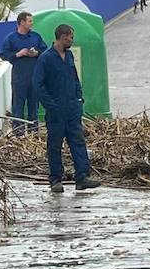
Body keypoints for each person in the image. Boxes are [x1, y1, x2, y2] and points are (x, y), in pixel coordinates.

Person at [34, 23, 101, 192]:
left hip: (72, 109)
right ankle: (56, 180)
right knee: (55, 146)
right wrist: (51, 106)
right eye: (70, 37)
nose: (72, 40)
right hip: (56, 112)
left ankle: (82, 177)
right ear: (62, 37)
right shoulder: (46, 58)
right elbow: (38, 85)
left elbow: (74, 78)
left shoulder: (69, 56)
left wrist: (79, 98)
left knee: (78, 142)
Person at [0, 11, 47, 134]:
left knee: (33, 107)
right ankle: (18, 133)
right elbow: (3, 54)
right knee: (18, 106)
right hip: (19, 78)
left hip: (34, 77)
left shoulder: (36, 37)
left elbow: (45, 51)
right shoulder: (11, 38)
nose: (32, 23)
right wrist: (18, 54)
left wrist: (36, 53)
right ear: (22, 22)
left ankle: (33, 133)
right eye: (29, 21)